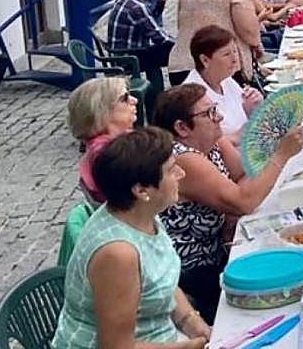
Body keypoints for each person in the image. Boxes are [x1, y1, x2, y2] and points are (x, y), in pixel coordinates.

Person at [155, 84, 303, 324]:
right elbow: (244, 201)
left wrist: (234, 203)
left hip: (221, 246)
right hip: (195, 269)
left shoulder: (209, 140)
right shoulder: (184, 160)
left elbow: (244, 173)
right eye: (209, 113)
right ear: (181, 128)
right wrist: (281, 155)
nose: (219, 117)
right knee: (279, 285)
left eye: (215, 109)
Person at [51, 128, 210, 349]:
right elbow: (116, 346)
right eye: (172, 170)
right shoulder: (118, 253)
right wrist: (189, 346)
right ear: (141, 190)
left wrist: (194, 324)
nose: (181, 174)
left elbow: (163, 279)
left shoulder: (143, 214)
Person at [170, 0, 263, 86]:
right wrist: (256, 45)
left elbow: (180, 25)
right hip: (221, 68)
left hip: (182, 64)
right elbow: (247, 28)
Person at [106, 0, 173, 112]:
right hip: (127, 56)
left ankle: (155, 104)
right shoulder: (136, 6)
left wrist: (160, 0)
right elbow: (158, 36)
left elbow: (150, 16)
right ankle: (157, 107)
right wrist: (181, 45)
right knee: (167, 55)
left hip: (120, 52)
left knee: (156, 59)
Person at [69, 77, 139, 205]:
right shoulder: (109, 153)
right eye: (124, 98)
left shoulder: (115, 143)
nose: (134, 100)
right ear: (102, 111)